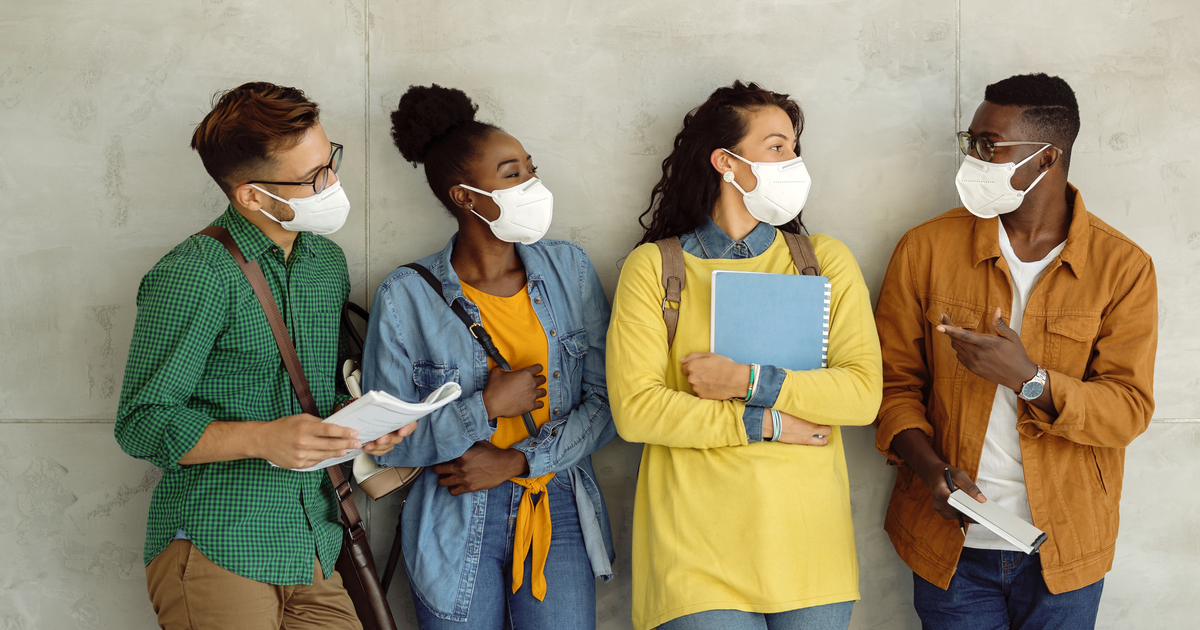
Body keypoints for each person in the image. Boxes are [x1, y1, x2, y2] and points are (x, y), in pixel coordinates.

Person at [114, 81, 413, 630]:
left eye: (331, 163)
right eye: (312, 178)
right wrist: (263, 438)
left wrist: (364, 429)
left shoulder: (326, 262)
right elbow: (140, 423)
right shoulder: (194, 273)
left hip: (315, 542)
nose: (333, 185)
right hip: (219, 544)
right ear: (251, 195)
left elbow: (312, 397)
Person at [873, 73, 1157, 629]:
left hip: (1066, 549)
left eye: (989, 146)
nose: (973, 159)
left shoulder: (1123, 267)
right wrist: (931, 470)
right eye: (970, 141)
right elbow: (892, 385)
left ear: (1048, 158)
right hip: (951, 547)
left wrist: (1031, 379)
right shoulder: (925, 249)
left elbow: (1128, 409)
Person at [606, 80, 883, 630]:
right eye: (777, 147)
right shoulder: (654, 269)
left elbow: (861, 395)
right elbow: (637, 412)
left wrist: (748, 380)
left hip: (811, 551)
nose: (794, 162)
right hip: (695, 555)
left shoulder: (823, 261)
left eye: (795, 149)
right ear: (725, 162)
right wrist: (771, 424)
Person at [362, 84, 616, 630]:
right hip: (453, 520)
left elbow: (605, 403)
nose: (533, 184)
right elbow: (383, 445)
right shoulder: (406, 295)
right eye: (512, 173)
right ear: (466, 197)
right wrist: (486, 407)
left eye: (531, 168)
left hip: (559, 508)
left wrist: (518, 460)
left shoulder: (569, 269)